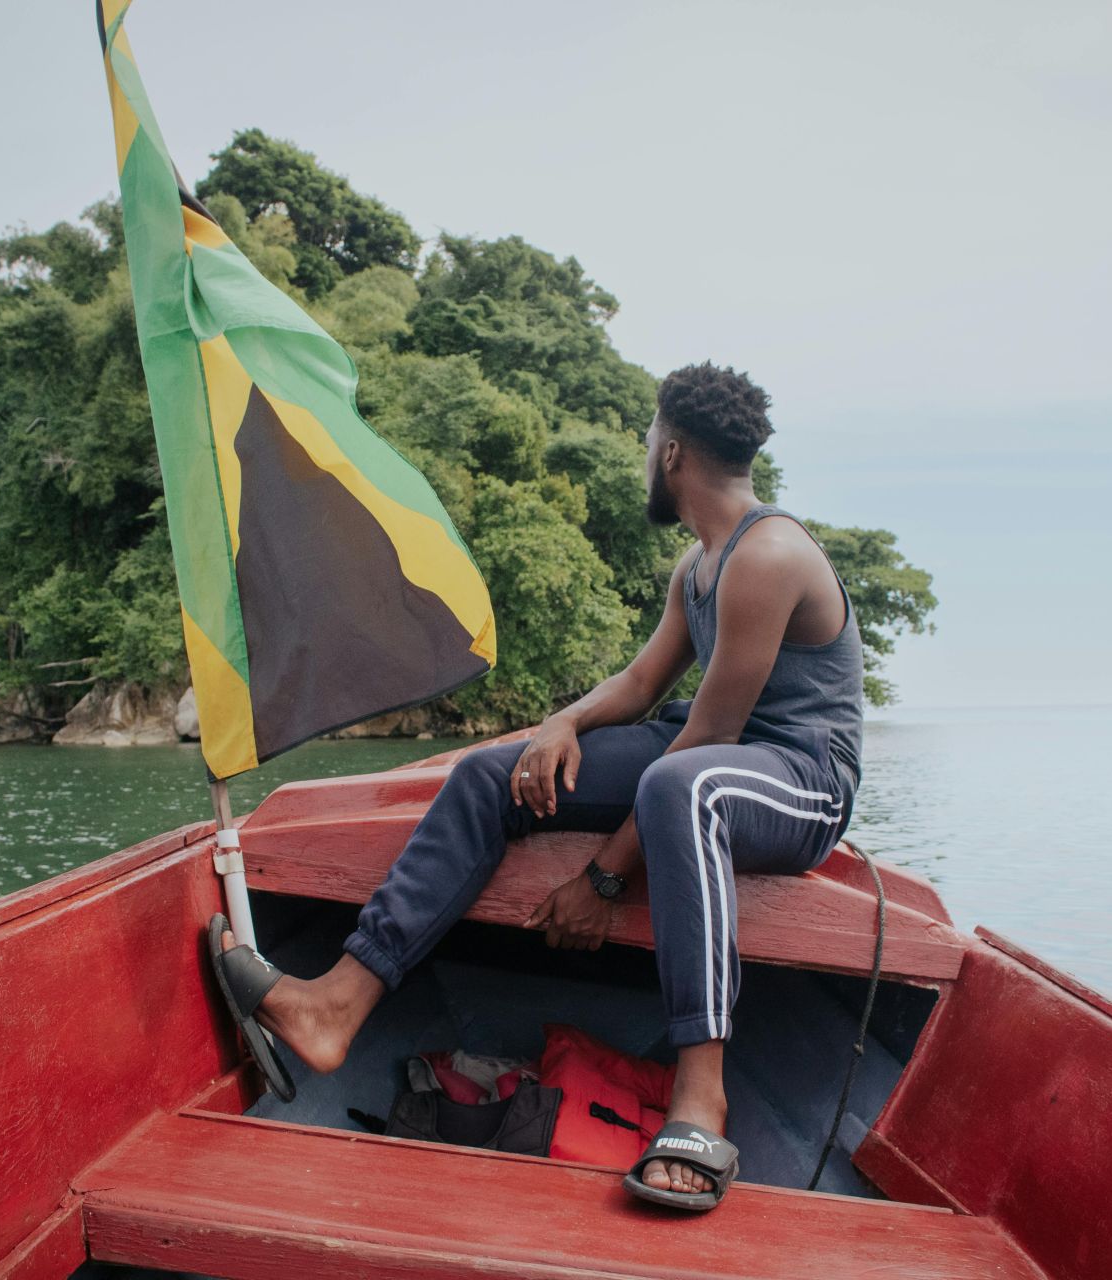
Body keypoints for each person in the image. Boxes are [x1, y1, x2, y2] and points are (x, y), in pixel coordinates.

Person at [211, 361, 865, 1211]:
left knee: (683, 785)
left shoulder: (769, 554)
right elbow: (640, 685)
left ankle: (702, 1094)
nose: (643, 453)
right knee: (492, 773)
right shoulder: (697, 563)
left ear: (671, 453)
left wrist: (602, 879)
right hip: (706, 757)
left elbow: (711, 737)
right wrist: (556, 725)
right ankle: (337, 1004)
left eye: (646, 440)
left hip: (802, 776)